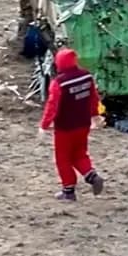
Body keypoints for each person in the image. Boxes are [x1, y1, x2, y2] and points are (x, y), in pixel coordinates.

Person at [39, 47, 104, 201]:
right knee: (80, 153)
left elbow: (52, 105)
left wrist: (44, 124)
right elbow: (93, 97)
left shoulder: (59, 83)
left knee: (63, 159)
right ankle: (92, 176)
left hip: (65, 127)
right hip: (83, 123)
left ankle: (68, 191)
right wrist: (95, 115)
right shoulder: (86, 76)